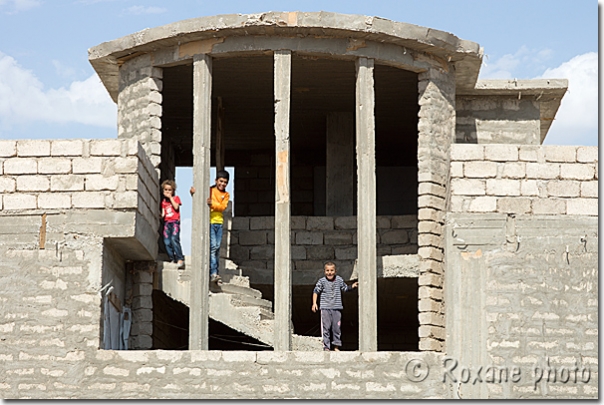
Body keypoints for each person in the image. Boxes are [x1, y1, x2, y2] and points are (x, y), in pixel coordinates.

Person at [190, 170, 230, 283]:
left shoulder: (226, 195)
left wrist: (212, 204)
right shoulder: (210, 191)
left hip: (219, 223)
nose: (222, 184)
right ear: (216, 180)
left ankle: (215, 272)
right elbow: (200, 195)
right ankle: (213, 273)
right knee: (213, 248)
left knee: (217, 249)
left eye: (225, 182)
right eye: (221, 181)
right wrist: (193, 192)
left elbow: (223, 207)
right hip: (211, 222)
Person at [312, 262, 358, 351]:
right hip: (325, 308)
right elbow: (316, 291)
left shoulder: (339, 280)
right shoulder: (322, 281)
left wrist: (352, 286)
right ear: (324, 272)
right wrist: (314, 303)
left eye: (332, 270)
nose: (330, 272)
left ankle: (336, 346)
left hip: (337, 308)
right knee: (326, 328)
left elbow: (345, 288)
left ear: (335, 271)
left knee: (336, 328)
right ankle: (326, 347)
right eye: (327, 270)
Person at [161, 179, 185, 269]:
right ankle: (172, 258)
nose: (167, 192)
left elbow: (176, 207)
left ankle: (180, 258)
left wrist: (171, 198)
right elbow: (163, 214)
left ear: (173, 191)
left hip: (175, 222)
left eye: (169, 190)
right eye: (166, 190)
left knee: (174, 239)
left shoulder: (176, 198)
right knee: (167, 241)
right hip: (167, 223)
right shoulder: (163, 202)